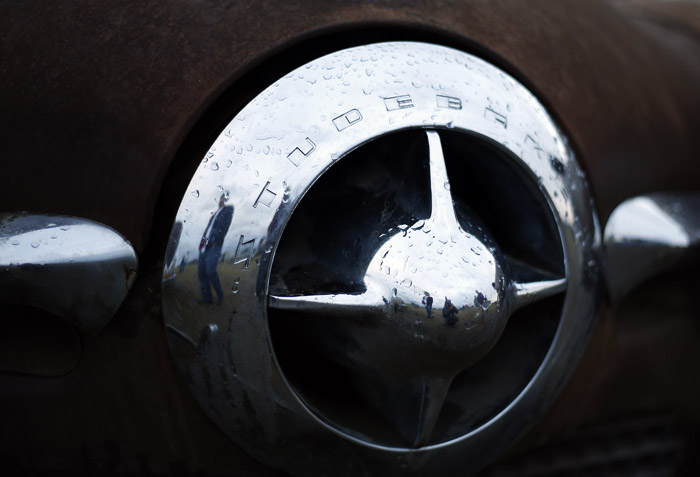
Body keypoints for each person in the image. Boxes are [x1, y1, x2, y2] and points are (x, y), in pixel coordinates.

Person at [198, 193, 233, 304]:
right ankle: (207, 299)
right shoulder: (214, 214)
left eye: (225, 198)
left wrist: (216, 240)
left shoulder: (228, 209)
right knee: (202, 273)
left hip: (215, 245)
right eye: (221, 197)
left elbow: (225, 226)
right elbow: (208, 229)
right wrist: (201, 243)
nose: (222, 199)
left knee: (211, 271)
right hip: (204, 246)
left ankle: (220, 295)